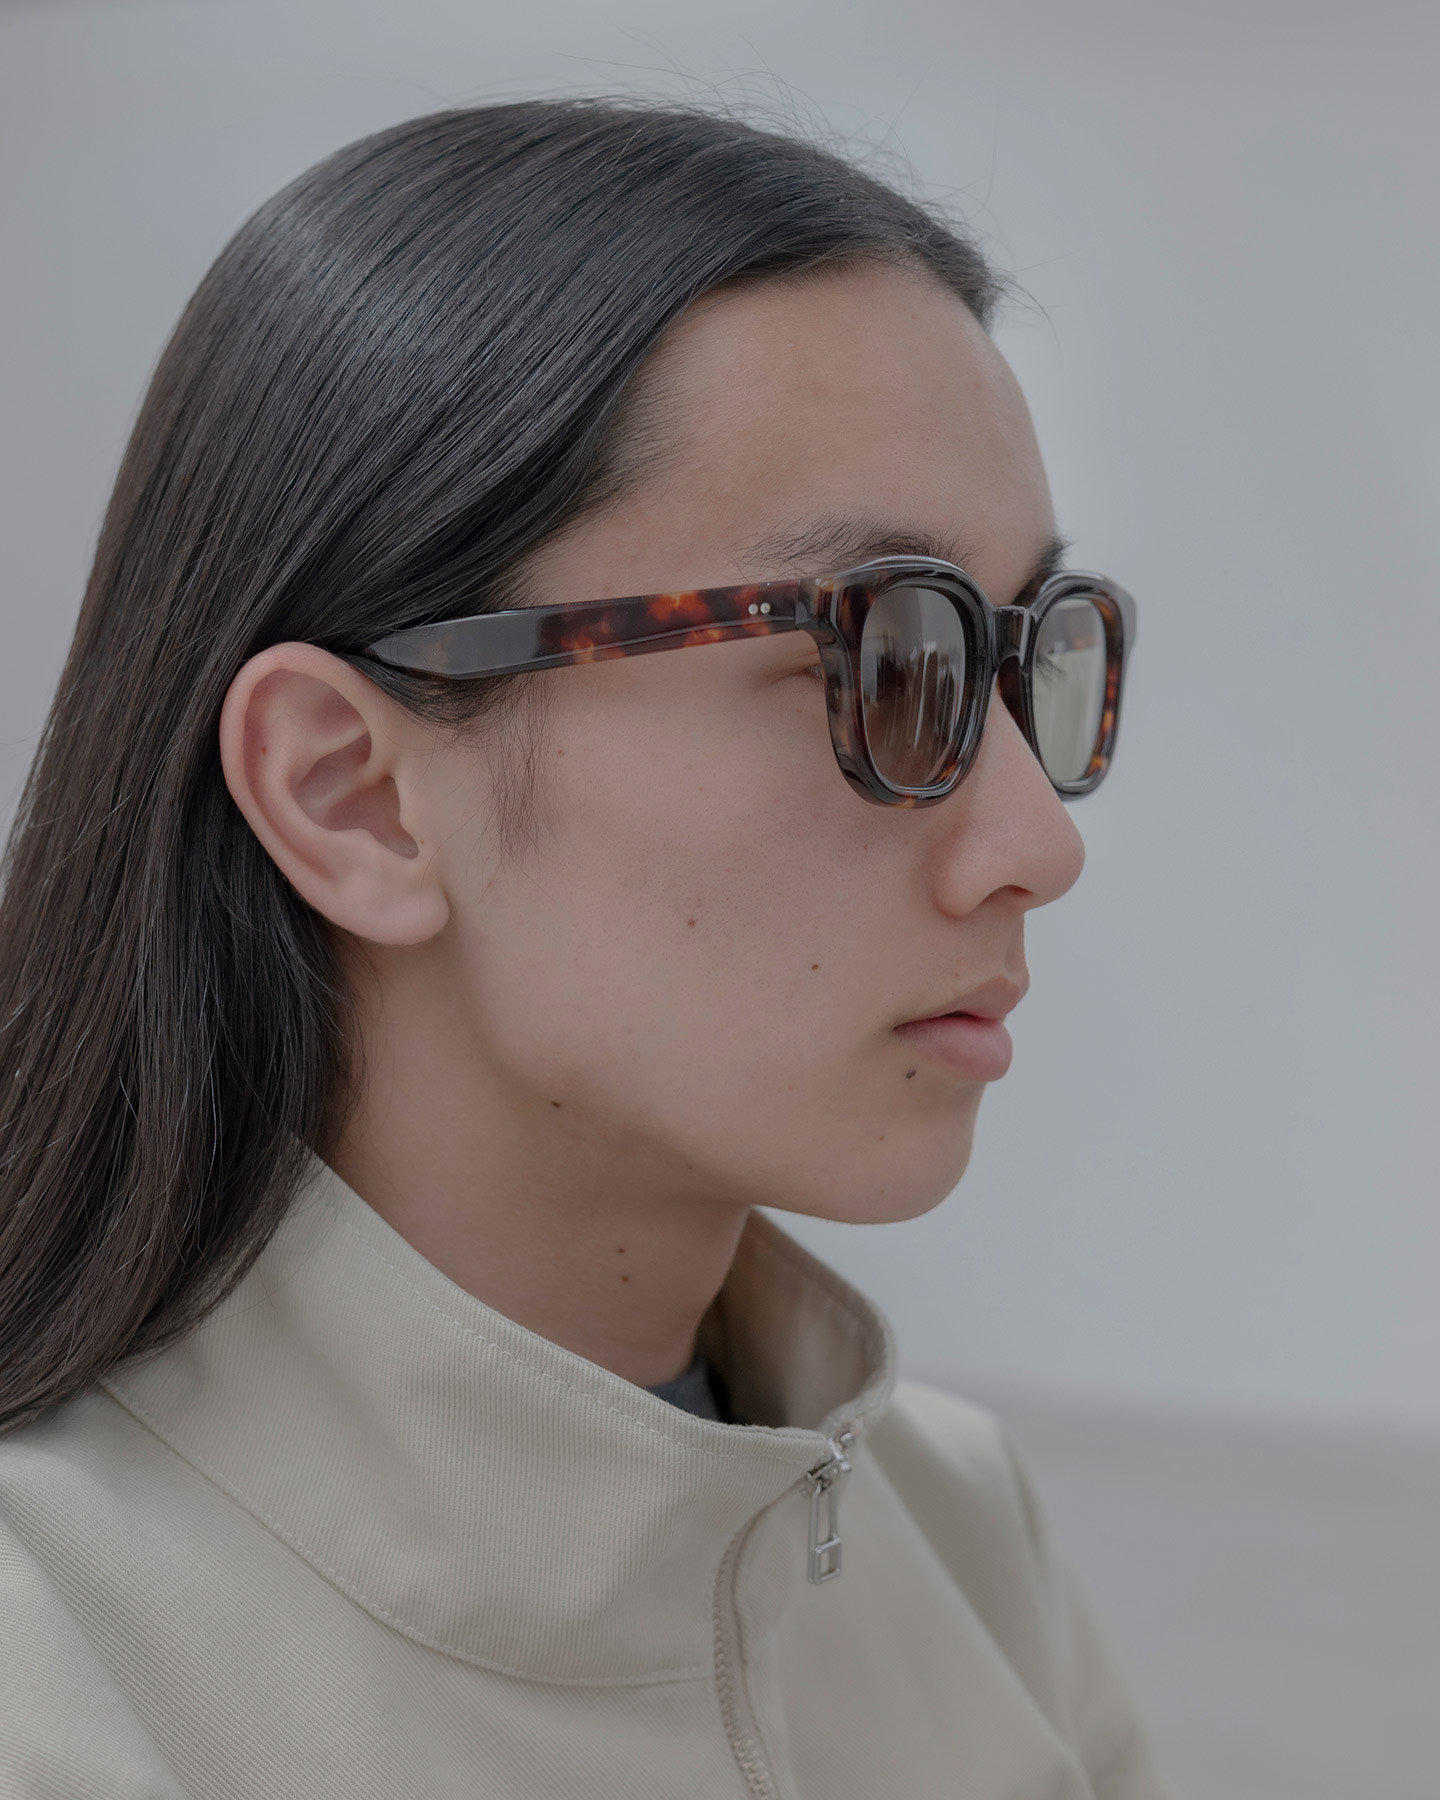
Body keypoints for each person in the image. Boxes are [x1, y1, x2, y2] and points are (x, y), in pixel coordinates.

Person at [0, 98, 1163, 1798]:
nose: (1038, 844)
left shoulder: (959, 1540)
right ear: (351, 795)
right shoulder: (54, 1678)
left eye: (1022, 654)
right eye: (880, 659)